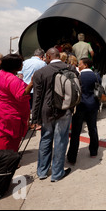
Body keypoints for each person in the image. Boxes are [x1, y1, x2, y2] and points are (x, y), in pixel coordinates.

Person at [31, 47, 78, 182]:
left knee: (45, 138)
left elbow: (37, 97)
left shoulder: (40, 72)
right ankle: (57, 173)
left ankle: (42, 172)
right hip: (65, 109)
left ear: (48, 56)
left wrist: (35, 117)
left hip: (46, 111)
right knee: (61, 139)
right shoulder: (71, 69)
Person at [0, 54, 31, 152]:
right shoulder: (12, 79)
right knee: (8, 141)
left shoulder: (0, 74)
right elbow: (21, 96)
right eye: (21, 63)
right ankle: (6, 162)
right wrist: (32, 84)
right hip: (9, 114)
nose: (22, 66)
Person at [67, 58, 101, 164]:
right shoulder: (96, 75)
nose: (78, 65)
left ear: (85, 65)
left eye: (80, 64)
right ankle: (93, 151)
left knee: (76, 132)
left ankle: (72, 156)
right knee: (93, 128)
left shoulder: (78, 76)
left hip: (80, 106)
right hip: (92, 105)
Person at [18, 48, 46, 130]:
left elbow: (20, 76)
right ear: (42, 56)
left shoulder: (25, 62)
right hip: (37, 89)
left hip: (26, 88)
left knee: (26, 108)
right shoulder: (42, 63)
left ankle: (27, 124)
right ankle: (36, 123)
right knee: (36, 107)